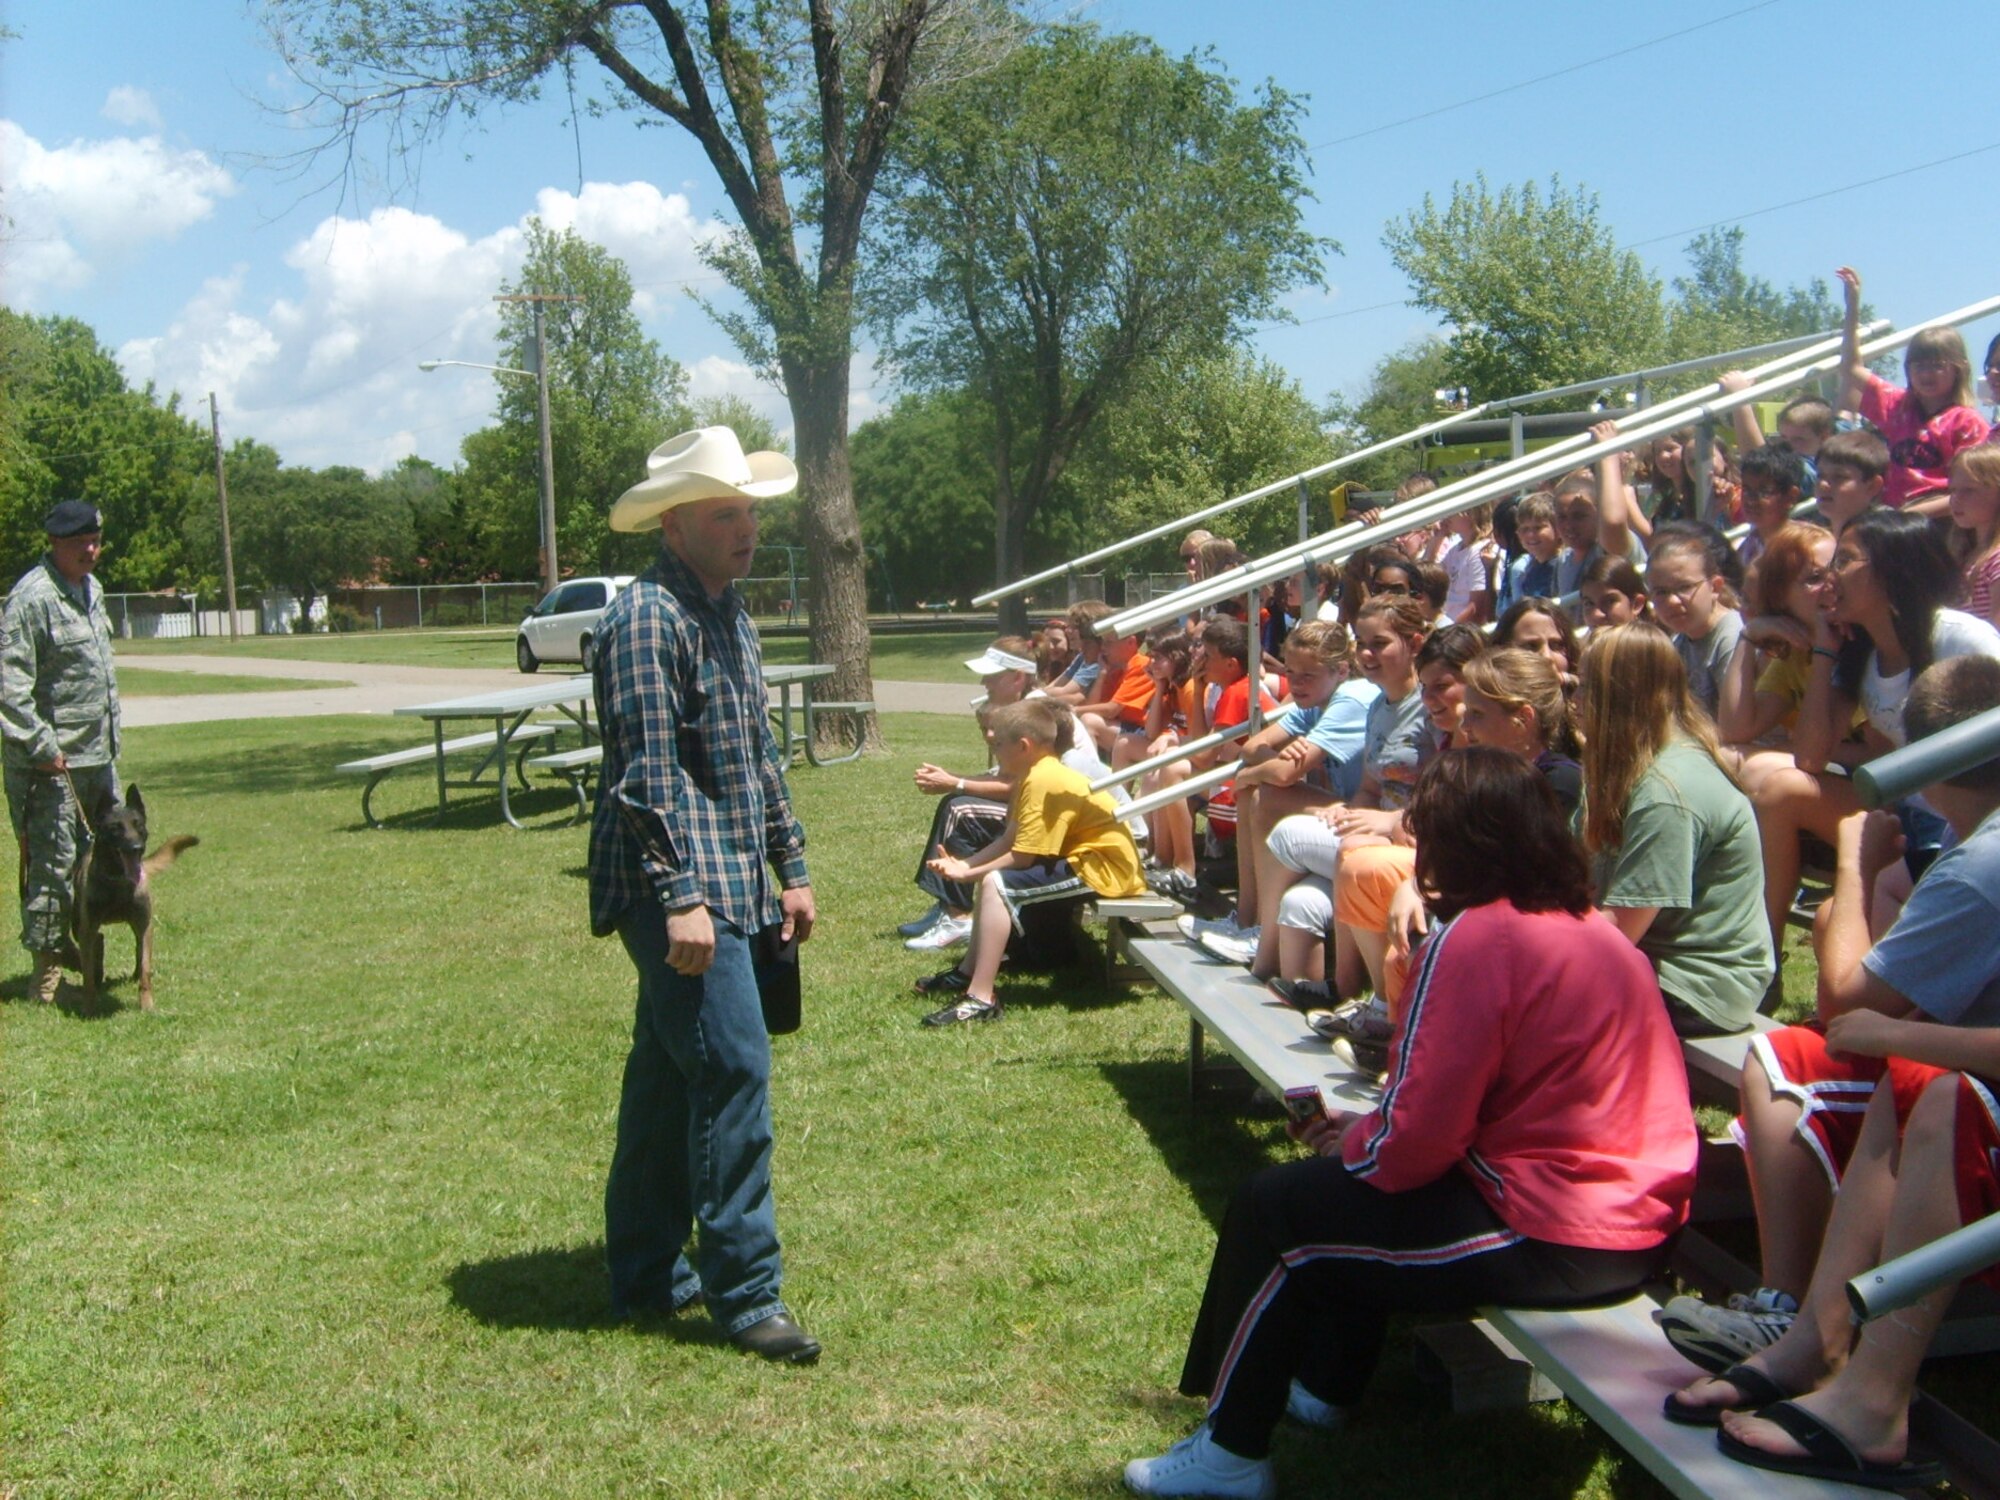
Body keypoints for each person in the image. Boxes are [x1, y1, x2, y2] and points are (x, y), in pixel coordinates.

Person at [1122, 749, 1697, 1500]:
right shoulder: (1594, 931)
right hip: (1639, 1221)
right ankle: (1324, 1389)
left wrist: (1359, 1142)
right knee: (1340, 1196)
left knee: (1278, 1209)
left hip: (1558, 1230)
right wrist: (1367, 1144)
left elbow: (1415, 1145)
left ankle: (1230, 1448)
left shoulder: (1478, 939)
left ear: (1458, 845)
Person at [1658, 658, 2000, 1487]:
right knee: (1907, 1072)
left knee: (1938, 1083)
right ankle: (1813, 1340)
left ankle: (1875, 1402)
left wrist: (1853, 862)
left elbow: (1849, 1001)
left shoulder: (1983, 867)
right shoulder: (1972, 849)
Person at [589, 427, 821, 1365]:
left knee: (663, 1081)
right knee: (732, 1071)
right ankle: (746, 1292)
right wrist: (681, 897)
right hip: (674, 889)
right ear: (675, 525)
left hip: (731, 880)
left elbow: (755, 757)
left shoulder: (730, 615)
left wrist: (791, 866)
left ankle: (646, 1270)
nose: (747, 528)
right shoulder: (648, 620)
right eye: (726, 512)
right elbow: (643, 776)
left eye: (751, 510)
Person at [1745, 508, 2000, 959]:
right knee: (1779, 785)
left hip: (1968, 821)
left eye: (1844, 561)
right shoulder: (1860, 654)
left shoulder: (1961, 640)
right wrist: (1825, 650)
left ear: (1891, 571)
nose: (1829, 580)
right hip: (1907, 813)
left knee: (1839, 922)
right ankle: (1765, 956)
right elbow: (1809, 759)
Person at [1579, 622, 1774, 1037]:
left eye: (1586, 689)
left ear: (1617, 697)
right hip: (1651, 960)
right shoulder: (1624, 770)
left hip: (1699, 982)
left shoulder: (1667, 791)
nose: (1576, 702)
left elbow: (1619, 932)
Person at [914, 698, 1146, 1026]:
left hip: (1105, 868)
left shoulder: (1042, 779)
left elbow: (1021, 858)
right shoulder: (1032, 774)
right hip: (1083, 860)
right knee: (992, 878)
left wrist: (972, 873)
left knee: (998, 881)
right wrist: (967, 867)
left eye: (998, 745)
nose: (994, 752)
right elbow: (1009, 838)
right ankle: (967, 975)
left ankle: (980, 998)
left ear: (1023, 745)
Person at [1, 500, 121, 1005]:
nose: (91, 551)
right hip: (52, 767)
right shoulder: (31, 598)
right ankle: (45, 980)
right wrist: (40, 745)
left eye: (95, 541)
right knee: (52, 868)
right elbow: (9, 686)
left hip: (97, 757)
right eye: (80, 544)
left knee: (97, 865)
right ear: (55, 544)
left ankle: (86, 955)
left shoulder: (90, 590)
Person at [1837, 266, 1991, 517]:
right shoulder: (1899, 406)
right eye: (1918, 366)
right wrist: (1852, 306)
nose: (1926, 374)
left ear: (1958, 369)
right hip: (1896, 517)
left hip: (1941, 522)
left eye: (1937, 366)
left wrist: (1912, 516)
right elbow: (1850, 369)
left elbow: (1973, 488)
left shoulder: (1966, 422)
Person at [1948, 443, 2000, 627]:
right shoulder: (1965, 554)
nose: (1955, 499)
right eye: (1952, 490)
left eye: (1969, 490)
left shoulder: (1997, 560)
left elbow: (1996, 637)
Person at [1810, 427, 1888, 537]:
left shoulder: (1882, 543)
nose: (1823, 485)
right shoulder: (1813, 540)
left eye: (1839, 477)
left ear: (1872, 486)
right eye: (1820, 476)